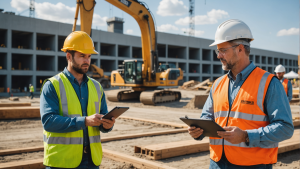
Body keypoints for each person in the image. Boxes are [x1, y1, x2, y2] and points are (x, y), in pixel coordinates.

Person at [188, 19, 294, 169]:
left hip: (253, 165)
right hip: (217, 163)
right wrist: (198, 131)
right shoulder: (218, 84)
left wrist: (246, 136)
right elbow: (207, 117)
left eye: (223, 50)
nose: (218, 56)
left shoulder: (269, 83)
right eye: (217, 51)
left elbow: (285, 128)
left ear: (240, 49)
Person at [40, 31, 115, 169]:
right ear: (69, 56)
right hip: (62, 162)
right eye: (82, 56)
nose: (87, 61)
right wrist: (85, 121)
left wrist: (107, 125)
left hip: (92, 160)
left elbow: (102, 117)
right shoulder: (52, 85)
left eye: (89, 56)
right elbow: (48, 122)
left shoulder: (97, 87)